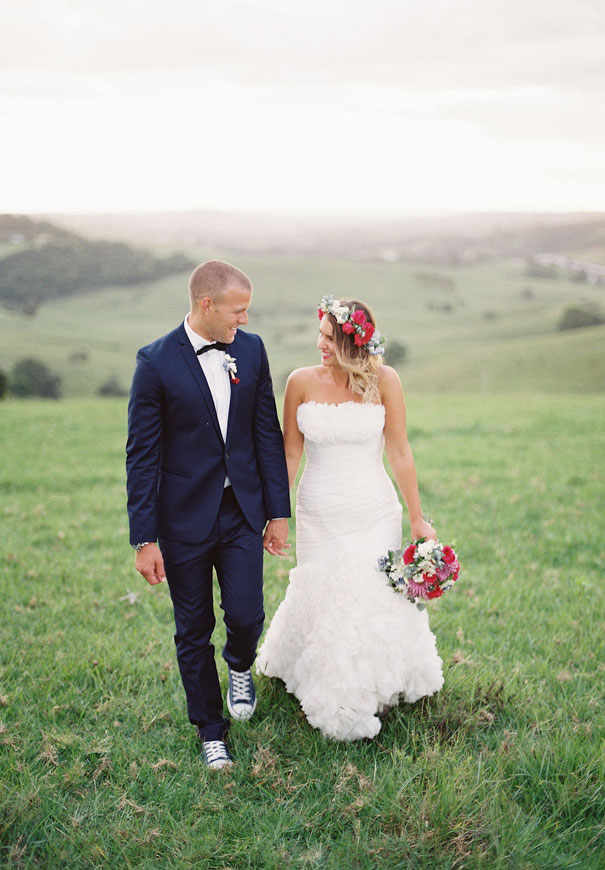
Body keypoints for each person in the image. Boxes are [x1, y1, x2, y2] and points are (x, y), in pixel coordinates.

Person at [126, 260, 290, 768]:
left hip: (242, 509)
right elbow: (142, 454)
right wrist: (144, 537)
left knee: (246, 615)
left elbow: (267, 431)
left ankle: (240, 664)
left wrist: (278, 512)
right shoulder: (154, 362)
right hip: (182, 520)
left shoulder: (252, 349)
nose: (242, 320)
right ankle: (210, 731)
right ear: (206, 305)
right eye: (237, 311)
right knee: (192, 628)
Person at [256, 296, 443, 740]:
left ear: (351, 339)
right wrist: (276, 516)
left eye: (327, 336)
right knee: (326, 596)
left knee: (369, 596)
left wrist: (418, 518)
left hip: (373, 508)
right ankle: (327, 686)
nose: (319, 343)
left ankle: (364, 686)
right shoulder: (299, 382)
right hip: (319, 510)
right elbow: (290, 452)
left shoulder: (386, 380)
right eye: (318, 334)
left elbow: (399, 450)